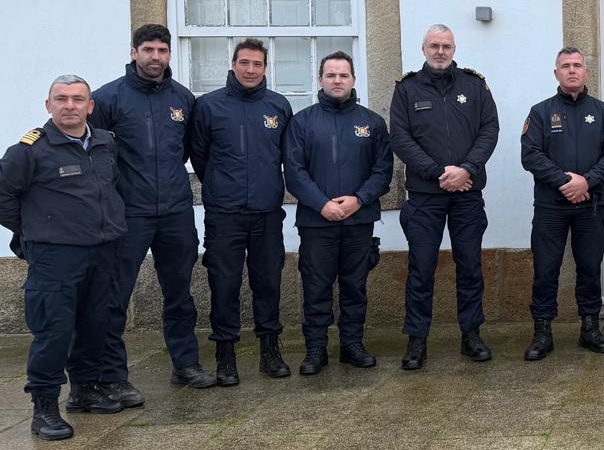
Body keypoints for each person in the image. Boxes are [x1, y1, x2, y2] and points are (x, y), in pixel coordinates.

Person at [90, 24, 214, 398]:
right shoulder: (107, 98)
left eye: (161, 50)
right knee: (115, 295)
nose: (155, 57)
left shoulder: (183, 99)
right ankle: (112, 375)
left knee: (179, 293)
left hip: (175, 211)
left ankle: (185, 365)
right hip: (128, 213)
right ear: (134, 52)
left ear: (169, 54)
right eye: (148, 50)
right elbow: (89, 153)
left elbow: (191, 150)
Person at [1, 75, 127, 439]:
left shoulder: (104, 142)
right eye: (61, 99)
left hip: (102, 251)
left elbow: (110, 187)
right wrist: (34, 229)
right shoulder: (29, 150)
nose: (69, 105)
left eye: (77, 99)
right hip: (55, 257)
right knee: (53, 331)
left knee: (94, 324)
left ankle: (85, 391)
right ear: (48, 105)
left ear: (90, 106)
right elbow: (3, 196)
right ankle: (44, 408)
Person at [390, 24, 499, 371]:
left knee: (470, 266)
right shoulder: (406, 89)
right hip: (425, 195)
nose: (440, 51)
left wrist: (466, 170)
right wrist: (440, 173)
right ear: (423, 48)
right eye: (434, 46)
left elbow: (489, 130)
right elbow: (400, 138)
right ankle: (416, 340)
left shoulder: (474, 85)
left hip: (468, 193)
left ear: (454, 49)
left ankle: (471, 335)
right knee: (421, 268)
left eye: (446, 46)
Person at [190, 39, 293, 384]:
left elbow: (286, 155)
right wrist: (223, 186)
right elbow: (200, 157)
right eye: (244, 63)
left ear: (265, 68)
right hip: (225, 213)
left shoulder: (278, 106)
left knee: (268, 282)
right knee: (224, 284)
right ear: (233, 64)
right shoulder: (208, 106)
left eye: (257, 64)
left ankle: (270, 351)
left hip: (267, 212)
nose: (250, 70)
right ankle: (225, 356)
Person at [283, 52, 393, 375]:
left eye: (343, 75)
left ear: (353, 79)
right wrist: (323, 204)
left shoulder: (372, 123)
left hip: (359, 220)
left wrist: (358, 200)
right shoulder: (302, 122)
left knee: (355, 286)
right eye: (331, 75)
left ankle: (352, 345)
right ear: (320, 79)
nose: (337, 80)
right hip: (316, 223)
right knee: (316, 287)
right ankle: (316, 349)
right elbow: (294, 172)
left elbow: (383, 171)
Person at [521, 47, 604, 360]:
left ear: (585, 71)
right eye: (565, 66)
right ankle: (542, 332)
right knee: (545, 269)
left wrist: (587, 181)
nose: (572, 70)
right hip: (551, 207)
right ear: (556, 73)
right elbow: (530, 155)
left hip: (590, 205)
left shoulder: (603, 112)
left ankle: (589, 328)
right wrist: (565, 182)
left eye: (577, 65)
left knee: (590, 268)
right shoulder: (540, 112)